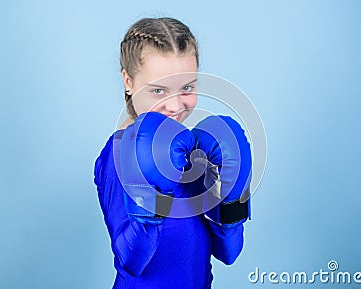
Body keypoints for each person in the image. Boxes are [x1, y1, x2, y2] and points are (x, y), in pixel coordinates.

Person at [93, 17, 252, 289]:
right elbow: (132, 260)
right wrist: (152, 203)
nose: (175, 105)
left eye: (187, 87)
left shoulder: (195, 151)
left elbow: (229, 253)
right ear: (128, 82)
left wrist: (231, 201)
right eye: (158, 90)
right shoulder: (119, 155)